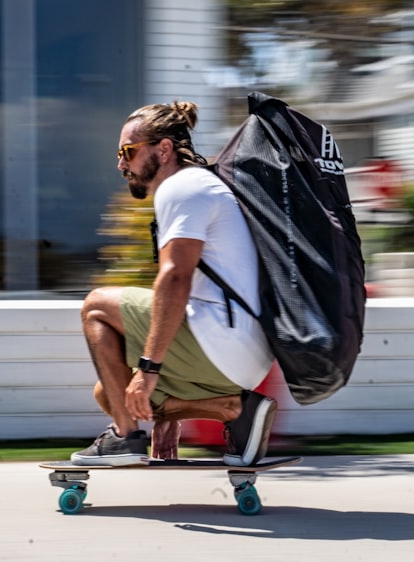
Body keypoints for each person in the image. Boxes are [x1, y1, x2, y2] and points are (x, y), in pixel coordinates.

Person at [71, 100, 277, 467]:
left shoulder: (182, 186)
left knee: (96, 305)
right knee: (112, 392)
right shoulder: (202, 185)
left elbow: (176, 278)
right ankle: (233, 409)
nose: (121, 164)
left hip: (222, 339)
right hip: (246, 354)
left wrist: (150, 370)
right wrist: (169, 415)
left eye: (128, 152)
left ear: (164, 149)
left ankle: (124, 439)